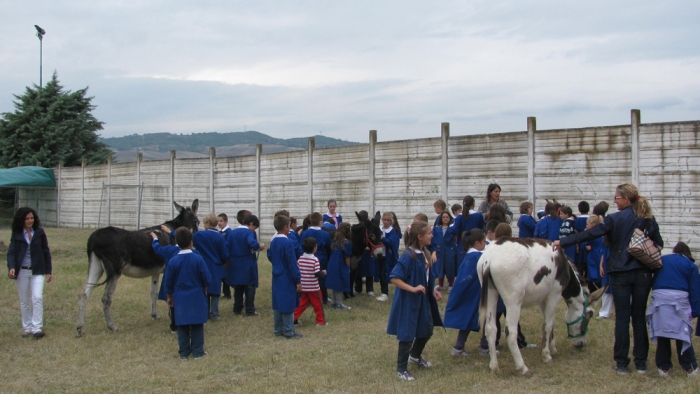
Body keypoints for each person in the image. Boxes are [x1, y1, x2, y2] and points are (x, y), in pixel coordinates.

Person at [553, 183, 663, 375]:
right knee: (638, 317)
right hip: (643, 273)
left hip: (620, 272)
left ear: (626, 199)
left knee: (621, 318)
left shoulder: (614, 219)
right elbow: (659, 244)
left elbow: (590, 233)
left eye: (617, 198)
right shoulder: (647, 219)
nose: (614, 201)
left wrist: (562, 242)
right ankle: (641, 363)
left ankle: (621, 362)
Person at [387, 221, 443, 381]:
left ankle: (415, 356)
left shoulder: (423, 254)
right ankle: (401, 369)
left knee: (427, 328)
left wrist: (432, 291)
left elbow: (425, 278)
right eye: (429, 233)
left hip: (422, 301)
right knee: (407, 333)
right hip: (409, 302)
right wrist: (412, 288)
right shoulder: (408, 256)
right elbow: (394, 278)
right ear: (420, 237)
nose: (432, 235)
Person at [647, 242, 700, 377]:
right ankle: (690, 367)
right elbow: (695, 290)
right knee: (682, 333)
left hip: (660, 299)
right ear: (687, 253)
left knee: (663, 332)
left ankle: (663, 367)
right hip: (679, 299)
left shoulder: (662, 260)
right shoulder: (690, 265)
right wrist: (695, 310)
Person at [163, 227, 211, 359]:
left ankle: (183, 352)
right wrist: (205, 291)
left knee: (182, 323)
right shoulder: (198, 258)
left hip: (180, 295)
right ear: (191, 242)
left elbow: (168, 281)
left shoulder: (173, 261)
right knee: (197, 323)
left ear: (176, 242)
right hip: (196, 293)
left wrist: (169, 297)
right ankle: (198, 351)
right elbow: (206, 278)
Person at [6, 207, 52, 339]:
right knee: (25, 301)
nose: (30, 220)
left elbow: (46, 251)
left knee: (37, 297)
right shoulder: (17, 233)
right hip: (22, 272)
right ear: (22, 220)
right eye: (27, 218)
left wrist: (48, 270)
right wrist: (12, 267)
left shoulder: (40, 232)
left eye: (32, 218)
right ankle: (27, 328)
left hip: (37, 270)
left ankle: (37, 328)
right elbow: (11, 252)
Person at [444, 229, 486, 356]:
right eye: (484, 242)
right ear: (478, 243)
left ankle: (460, 346)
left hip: (472, 292)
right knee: (484, 318)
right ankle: (484, 347)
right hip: (473, 293)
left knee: (472, 319)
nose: (485, 244)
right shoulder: (477, 257)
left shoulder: (469, 255)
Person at [268, 215, 303, 339]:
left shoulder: (274, 241)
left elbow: (269, 255)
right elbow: (292, 264)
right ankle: (289, 331)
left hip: (276, 275)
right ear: (285, 227)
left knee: (277, 303)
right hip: (286, 276)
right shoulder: (287, 243)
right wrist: (297, 279)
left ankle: (278, 329)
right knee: (288, 303)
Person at [227, 214, 265, 316]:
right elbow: (251, 242)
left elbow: (227, 246)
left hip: (235, 261)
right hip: (247, 261)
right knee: (250, 286)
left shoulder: (232, 232)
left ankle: (237, 309)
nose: (254, 230)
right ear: (251, 224)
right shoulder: (249, 232)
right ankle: (250, 309)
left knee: (238, 286)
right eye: (255, 227)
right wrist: (259, 246)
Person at [293, 238, 328, 326]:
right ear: (315, 248)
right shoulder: (315, 260)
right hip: (313, 287)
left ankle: (292, 318)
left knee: (302, 304)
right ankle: (320, 321)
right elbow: (317, 273)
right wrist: (323, 272)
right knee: (318, 304)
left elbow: (297, 270)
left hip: (303, 286)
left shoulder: (300, 258)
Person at [445, 196, 485, 268]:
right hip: (476, 245)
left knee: (462, 268)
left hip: (462, 246)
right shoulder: (479, 216)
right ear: (473, 203)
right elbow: (481, 229)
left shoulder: (460, 217)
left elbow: (453, 229)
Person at [300, 212, 332, 303]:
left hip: (307, 258)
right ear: (320, 222)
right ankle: (323, 298)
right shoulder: (325, 234)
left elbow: (301, 245)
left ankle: (308, 298)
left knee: (308, 277)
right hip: (321, 258)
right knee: (321, 278)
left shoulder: (306, 232)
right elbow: (329, 247)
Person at [326, 222, 353, 309]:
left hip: (332, 264)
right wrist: (348, 267)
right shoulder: (346, 243)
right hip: (340, 265)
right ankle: (339, 303)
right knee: (340, 284)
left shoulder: (335, 241)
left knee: (335, 284)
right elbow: (347, 256)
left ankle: (333, 303)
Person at [377, 212, 401, 302]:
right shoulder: (379, 229)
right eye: (384, 220)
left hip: (388, 256)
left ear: (391, 221)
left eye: (388, 220)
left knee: (387, 273)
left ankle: (388, 292)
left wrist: (382, 238)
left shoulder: (392, 231)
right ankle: (383, 292)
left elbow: (391, 243)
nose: (385, 222)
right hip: (380, 255)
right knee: (381, 274)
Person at [432, 211, 456, 292]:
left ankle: (451, 284)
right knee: (440, 267)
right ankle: (440, 284)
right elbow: (433, 239)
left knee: (450, 267)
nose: (445, 219)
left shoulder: (452, 228)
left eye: (447, 217)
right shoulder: (436, 229)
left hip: (449, 250)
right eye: (443, 217)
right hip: (440, 251)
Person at [217, 213, 232, 299]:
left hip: (226, 258)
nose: (219, 223)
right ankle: (226, 293)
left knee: (226, 277)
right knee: (222, 276)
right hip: (221, 258)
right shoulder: (219, 232)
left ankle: (227, 294)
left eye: (221, 221)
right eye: (218, 221)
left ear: (226, 221)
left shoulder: (228, 232)